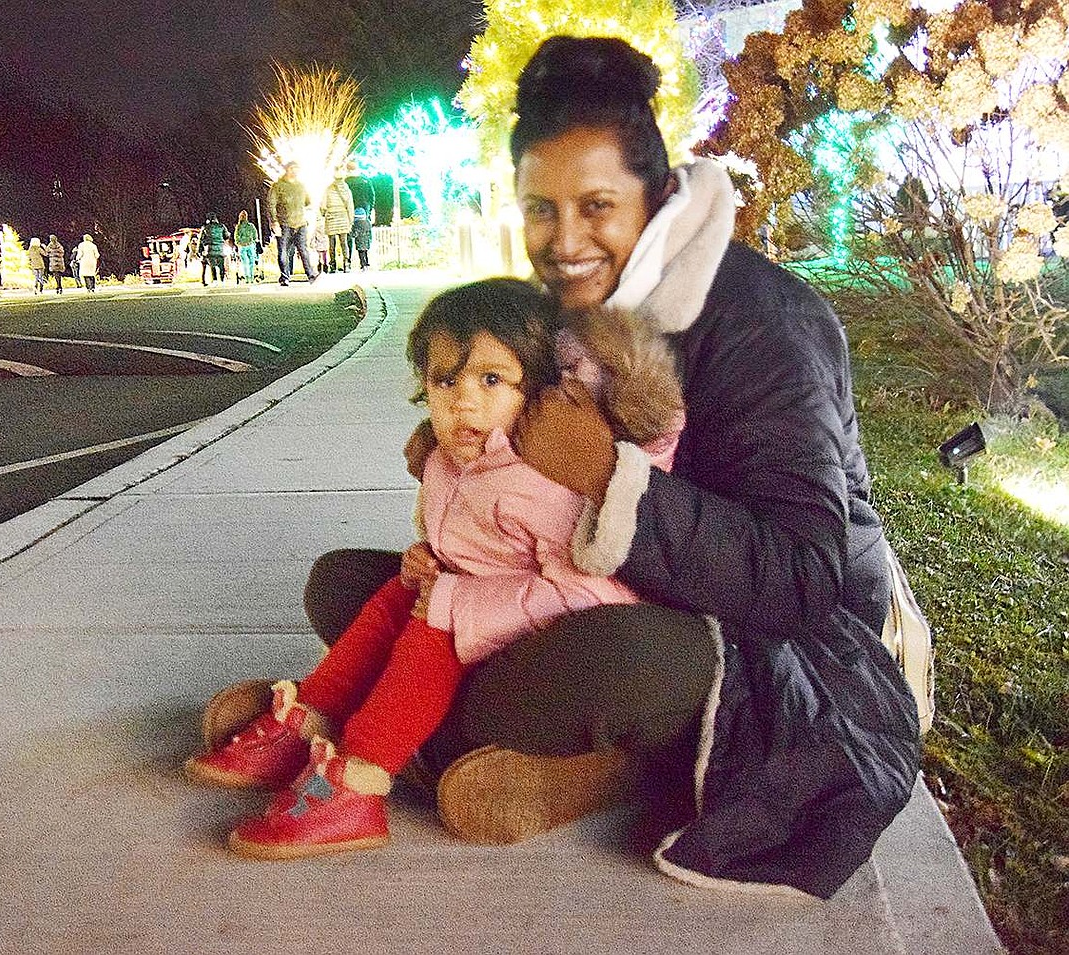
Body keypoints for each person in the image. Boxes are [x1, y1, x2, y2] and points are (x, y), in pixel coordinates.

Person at [205, 36, 923, 898]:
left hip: (769, 647)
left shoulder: (765, 325)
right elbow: (525, 435)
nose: (565, 239)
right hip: (563, 583)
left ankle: (419, 737)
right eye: (541, 210)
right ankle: (447, 736)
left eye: (595, 205)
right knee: (351, 586)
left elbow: (807, 582)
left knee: (594, 658)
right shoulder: (582, 304)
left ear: (656, 194)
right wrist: (461, 449)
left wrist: (612, 480)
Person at [186, 277, 686, 859]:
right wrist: (430, 563)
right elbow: (468, 543)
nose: (462, 400)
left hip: (556, 635)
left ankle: (361, 779)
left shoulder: (546, 483)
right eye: (445, 379)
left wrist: (458, 602)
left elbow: (592, 592)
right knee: (385, 599)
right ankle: (313, 715)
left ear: (541, 393)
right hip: (479, 603)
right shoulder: (454, 458)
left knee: (430, 631)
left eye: (491, 380)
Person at [266, 160, 318, 286]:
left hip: (300, 222)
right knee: (283, 250)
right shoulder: (278, 186)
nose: (295, 171)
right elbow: (271, 204)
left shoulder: (301, 186)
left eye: (297, 169)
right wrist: (274, 222)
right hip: (284, 223)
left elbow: (308, 201)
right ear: (287, 170)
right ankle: (285, 277)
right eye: (293, 168)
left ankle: (310, 274)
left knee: (303, 250)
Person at [320, 174, 354, 273]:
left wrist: (323, 213)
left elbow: (323, 205)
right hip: (343, 216)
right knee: (344, 242)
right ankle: (346, 263)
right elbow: (350, 205)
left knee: (332, 242)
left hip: (331, 217)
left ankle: (333, 264)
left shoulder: (328, 189)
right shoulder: (346, 189)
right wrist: (350, 220)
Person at [345, 160, 376, 270]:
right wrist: (369, 210)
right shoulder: (366, 180)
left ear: (347, 169)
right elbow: (372, 197)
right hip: (364, 213)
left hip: (349, 213)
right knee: (363, 237)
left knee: (348, 238)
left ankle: (347, 262)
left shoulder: (345, 182)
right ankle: (364, 263)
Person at [197, 214, 230, 285]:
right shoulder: (221, 226)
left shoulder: (205, 227)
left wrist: (199, 250)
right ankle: (222, 279)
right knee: (221, 264)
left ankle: (215, 280)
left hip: (210, 248)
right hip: (220, 247)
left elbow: (201, 239)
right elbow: (226, 236)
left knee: (212, 265)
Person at [234, 210, 258, 284]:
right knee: (251, 261)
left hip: (242, 246)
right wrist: (252, 241)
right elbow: (255, 235)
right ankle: (251, 276)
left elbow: (236, 237)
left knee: (245, 262)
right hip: (250, 245)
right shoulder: (250, 226)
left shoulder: (238, 227)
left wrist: (239, 243)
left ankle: (247, 277)